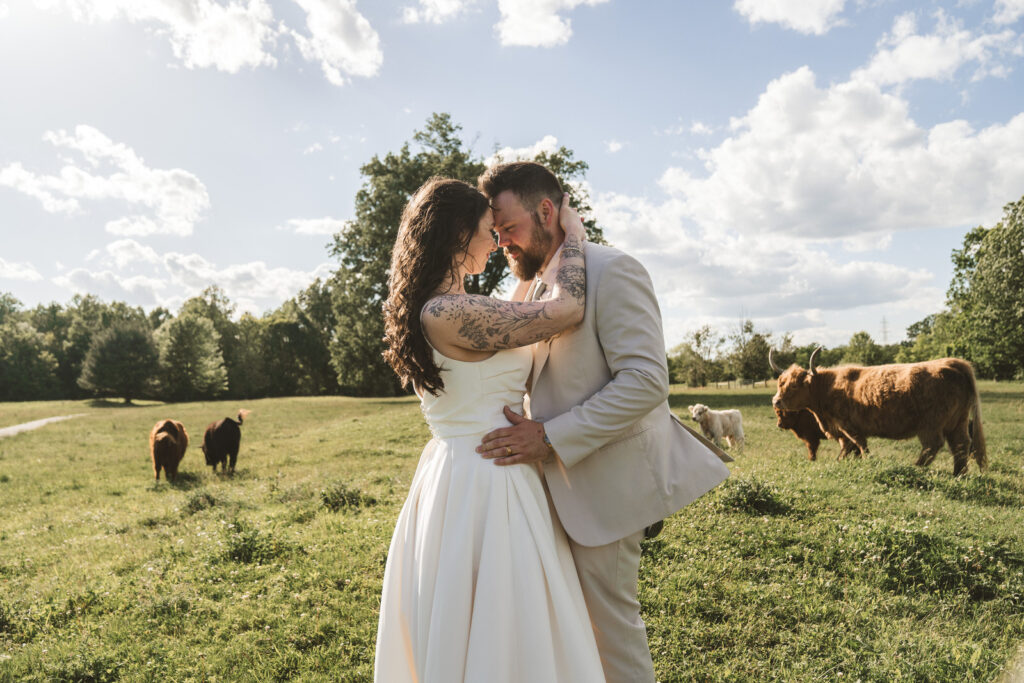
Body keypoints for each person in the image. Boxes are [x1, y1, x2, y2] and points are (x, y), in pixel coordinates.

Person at [476, 161, 731, 683]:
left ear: (547, 211)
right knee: (561, 626)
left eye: (510, 229)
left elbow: (644, 382)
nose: (503, 243)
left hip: (605, 489)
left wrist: (547, 437)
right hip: (539, 493)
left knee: (609, 631)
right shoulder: (525, 291)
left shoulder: (615, 271)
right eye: (496, 233)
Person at [374, 176, 605, 682]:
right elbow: (565, 310)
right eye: (488, 229)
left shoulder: (453, 305)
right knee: (504, 616)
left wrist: (542, 254)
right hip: (487, 478)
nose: (498, 240)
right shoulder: (449, 311)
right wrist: (574, 236)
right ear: (459, 234)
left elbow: (520, 303)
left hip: (461, 470)